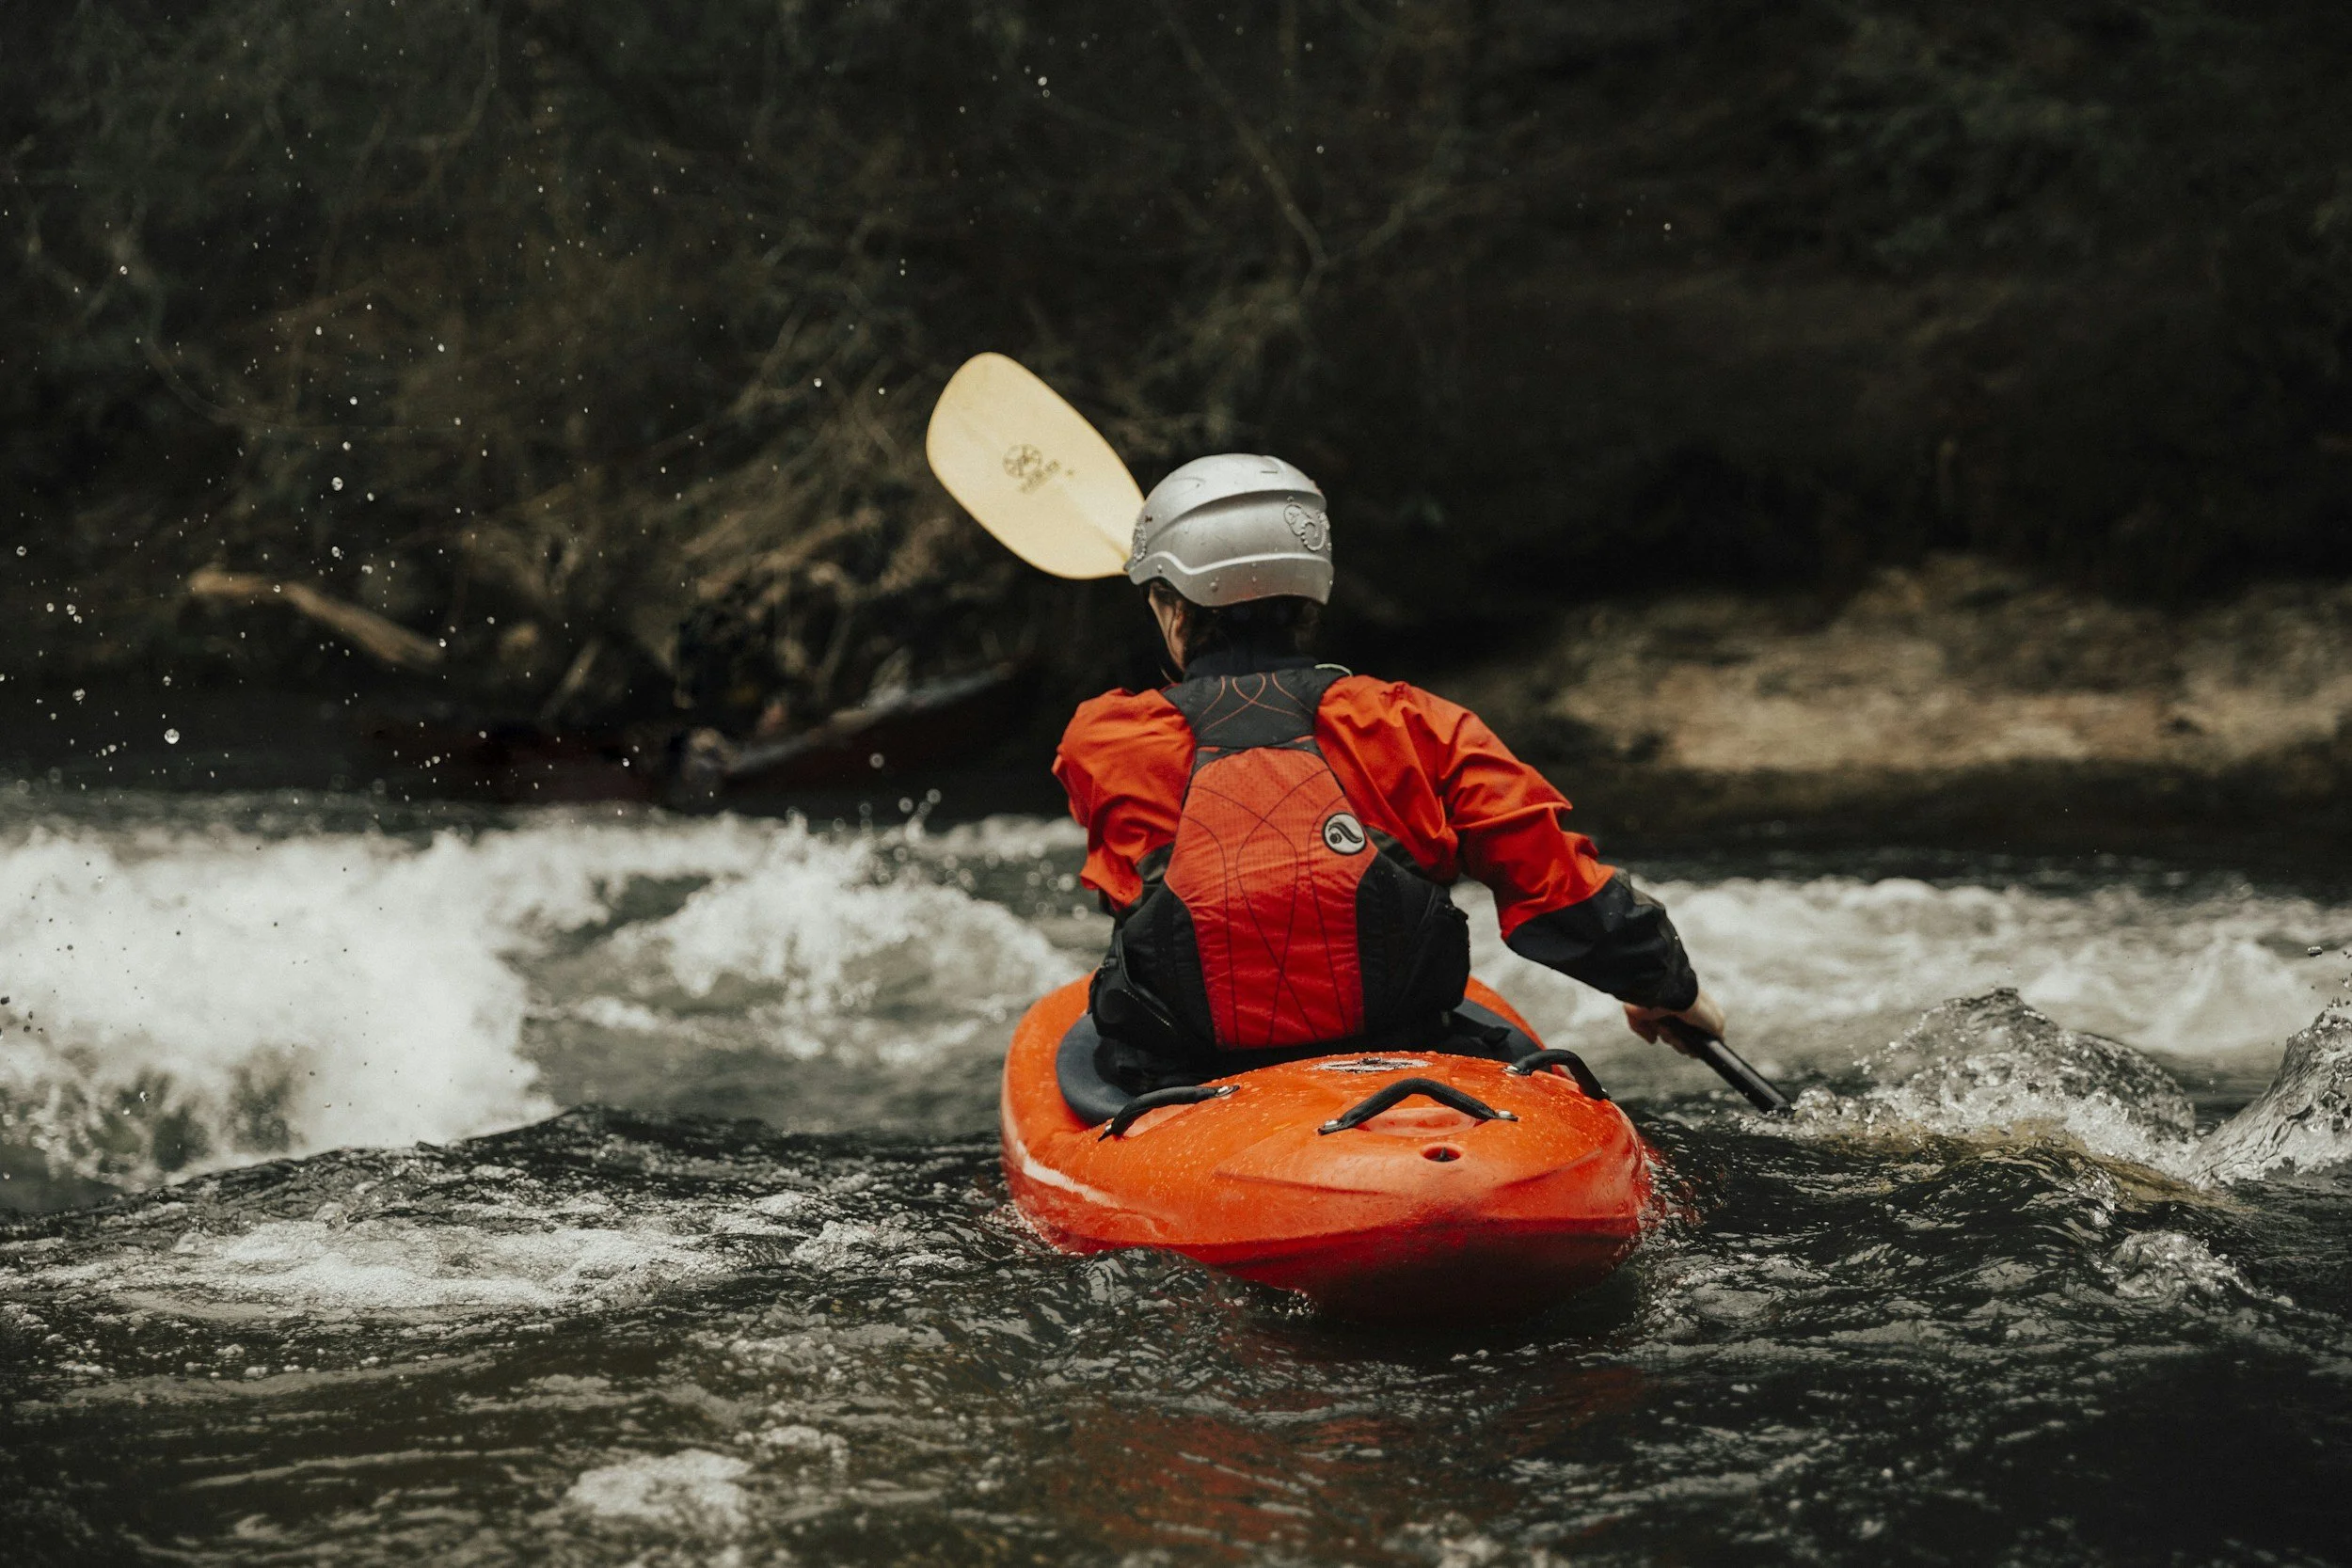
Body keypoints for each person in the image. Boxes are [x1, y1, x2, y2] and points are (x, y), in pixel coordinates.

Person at [1053, 452, 1727, 1093]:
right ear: (1312, 594)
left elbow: (1132, 879)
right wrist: (1667, 989)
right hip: (1405, 1056)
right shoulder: (1419, 724)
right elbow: (1557, 888)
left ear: (1174, 609)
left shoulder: (1105, 739)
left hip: (1187, 1077)